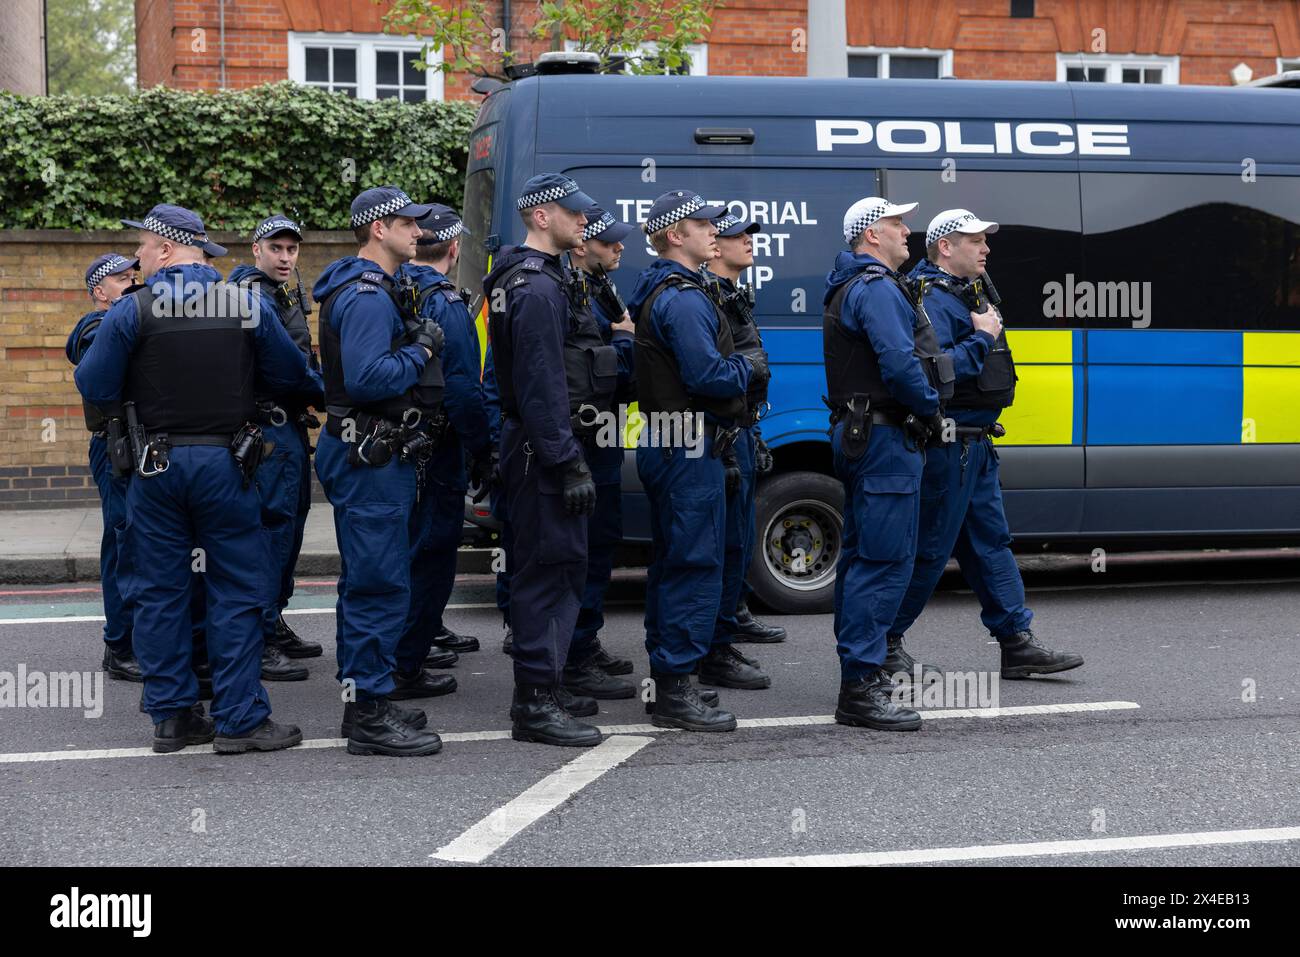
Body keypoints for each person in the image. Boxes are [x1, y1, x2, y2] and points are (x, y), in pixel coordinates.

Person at [75, 203, 309, 754]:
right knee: (237, 589)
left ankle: (174, 717)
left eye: (141, 247)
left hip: (154, 468)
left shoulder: (132, 311)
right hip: (227, 465)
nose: (136, 257)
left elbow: (95, 385)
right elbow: (292, 375)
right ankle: (239, 718)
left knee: (158, 591)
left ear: (163, 248)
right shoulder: (246, 305)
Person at [890, 208, 1084, 679]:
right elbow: (936, 373)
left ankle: (1016, 643)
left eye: (984, 240)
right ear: (945, 247)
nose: (986, 248)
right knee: (931, 549)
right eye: (974, 240)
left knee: (989, 545)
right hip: (948, 444)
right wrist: (981, 336)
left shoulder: (962, 293)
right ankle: (884, 640)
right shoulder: (931, 299)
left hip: (974, 445)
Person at [313, 186, 450, 757]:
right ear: (377, 229)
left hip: (373, 452)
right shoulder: (367, 297)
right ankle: (368, 712)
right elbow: (369, 379)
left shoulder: (377, 288)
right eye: (406, 222)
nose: (417, 231)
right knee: (379, 583)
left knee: (371, 580)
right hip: (370, 457)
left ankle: (367, 696)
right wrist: (420, 352)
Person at [627, 190, 764, 731]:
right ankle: (674, 687)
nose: (715, 229)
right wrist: (750, 368)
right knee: (693, 562)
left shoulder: (679, 289)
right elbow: (706, 376)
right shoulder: (682, 298)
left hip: (678, 439)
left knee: (681, 559)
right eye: (703, 223)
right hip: (688, 442)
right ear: (675, 235)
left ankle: (674, 676)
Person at [821, 196, 958, 731]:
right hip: (883, 439)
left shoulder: (856, 284)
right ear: (870, 235)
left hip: (865, 434)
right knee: (884, 561)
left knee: (863, 558)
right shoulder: (876, 288)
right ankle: (861, 687)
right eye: (896, 222)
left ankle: (864, 674)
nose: (907, 231)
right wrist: (929, 407)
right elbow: (900, 364)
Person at [482, 173, 604, 747]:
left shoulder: (544, 279)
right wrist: (565, 461)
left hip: (539, 446)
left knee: (557, 568)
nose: (583, 220)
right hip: (541, 450)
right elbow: (540, 385)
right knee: (548, 572)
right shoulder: (534, 287)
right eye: (572, 212)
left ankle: (545, 686)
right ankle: (534, 702)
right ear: (539, 216)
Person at [393, 204, 491, 678]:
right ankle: (410, 651)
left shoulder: (394, 286)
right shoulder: (446, 303)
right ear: (454, 248)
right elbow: (462, 389)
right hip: (439, 446)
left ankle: (419, 632)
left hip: (400, 443)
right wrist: (484, 449)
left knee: (408, 546)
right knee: (431, 550)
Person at [228, 215, 326, 682]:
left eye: (291, 249)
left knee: (289, 528)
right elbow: (284, 368)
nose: (286, 257)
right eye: (276, 249)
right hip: (269, 430)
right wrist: (328, 392)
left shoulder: (285, 291)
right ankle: (260, 636)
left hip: (289, 427)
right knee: (272, 532)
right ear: (256, 249)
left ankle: (275, 619)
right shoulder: (251, 296)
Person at [556, 205, 641, 700]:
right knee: (577, 554)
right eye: (610, 242)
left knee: (600, 547)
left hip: (605, 436)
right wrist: (625, 340)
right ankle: (570, 658)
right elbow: (601, 372)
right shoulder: (573, 294)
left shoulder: (600, 291)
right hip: (583, 438)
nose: (619, 248)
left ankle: (584, 645)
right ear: (583, 246)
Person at [67, 253, 141, 682]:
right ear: (99, 291)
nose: (131, 282)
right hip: (114, 446)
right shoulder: (95, 328)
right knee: (122, 543)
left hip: (134, 445)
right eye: (120, 279)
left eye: (134, 275)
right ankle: (119, 645)